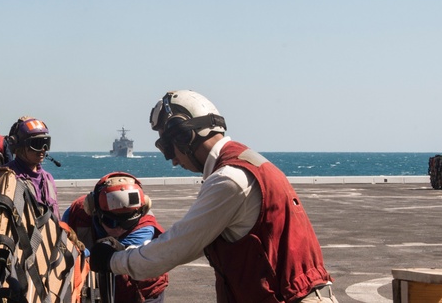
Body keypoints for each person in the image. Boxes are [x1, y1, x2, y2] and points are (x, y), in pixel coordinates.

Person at [89, 90, 336, 303]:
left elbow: (177, 247)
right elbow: (195, 241)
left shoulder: (229, 179)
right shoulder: (248, 164)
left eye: (167, 148)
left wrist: (114, 260)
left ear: (185, 137)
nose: (172, 160)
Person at [63, 172, 169, 303]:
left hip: (141, 290)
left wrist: (85, 253)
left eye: (128, 223)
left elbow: (114, 261)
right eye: (111, 221)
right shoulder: (77, 213)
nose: (119, 229)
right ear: (94, 211)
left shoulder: (144, 228)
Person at [4, 116, 59, 218]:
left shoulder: (48, 179)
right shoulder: (7, 177)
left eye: (45, 143)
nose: (43, 149)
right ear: (18, 146)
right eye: (37, 144)